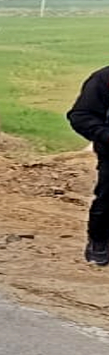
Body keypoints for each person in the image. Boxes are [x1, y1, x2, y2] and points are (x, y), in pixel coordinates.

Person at [66, 65, 109, 266]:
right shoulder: (104, 78)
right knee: (107, 198)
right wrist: (105, 137)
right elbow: (81, 115)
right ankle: (99, 241)